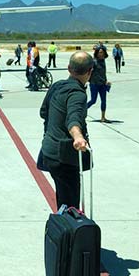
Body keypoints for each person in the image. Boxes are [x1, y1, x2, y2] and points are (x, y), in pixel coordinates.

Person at [39, 51, 93, 209]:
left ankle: (61, 228)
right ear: (90, 71)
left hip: (49, 152)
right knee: (70, 207)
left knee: (63, 199)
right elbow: (73, 119)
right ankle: (65, 232)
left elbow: (43, 112)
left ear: (69, 69)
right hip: (65, 158)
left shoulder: (57, 86)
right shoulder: (78, 94)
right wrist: (78, 136)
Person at [87, 46, 111, 122]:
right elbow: (89, 72)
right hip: (94, 83)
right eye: (100, 52)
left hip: (103, 84)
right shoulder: (94, 61)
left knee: (104, 101)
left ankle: (103, 117)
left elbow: (103, 73)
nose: (101, 54)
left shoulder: (103, 61)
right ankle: (81, 111)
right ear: (97, 53)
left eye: (103, 52)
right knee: (93, 100)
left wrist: (106, 81)